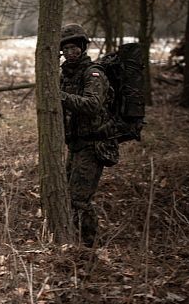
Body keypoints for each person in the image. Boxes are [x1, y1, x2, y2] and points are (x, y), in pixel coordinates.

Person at [59, 23, 119, 247]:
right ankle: (71, 241)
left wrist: (60, 96)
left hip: (93, 145)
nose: (71, 52)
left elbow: (93, 104)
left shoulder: (93, 73)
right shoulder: (66, 74)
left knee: (79, 199)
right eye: (66, 48)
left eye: (75, 48)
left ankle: (89, 247)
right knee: (67, 196)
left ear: (83, 48)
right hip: (75, 144)